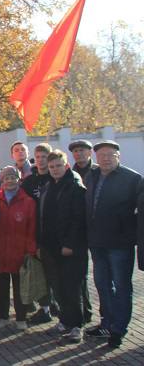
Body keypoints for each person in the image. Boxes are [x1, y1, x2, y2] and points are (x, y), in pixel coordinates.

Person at [83, 140, 143, 349]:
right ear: (96, 158)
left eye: (110, 155)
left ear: (118, 157)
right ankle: (107, 323)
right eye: (101, 155)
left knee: (122, 287)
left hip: (120, 244)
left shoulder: (133, 179)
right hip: (97, 243)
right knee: (102, 285)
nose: (106, 159)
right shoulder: (92, 176)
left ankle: (118, 329)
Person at [39, 150, 88, 343]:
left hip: (70, 248)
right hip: (50, 247)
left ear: (66, 165)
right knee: (58, 287)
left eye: (58, 165)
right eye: (51, 167)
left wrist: (70, 244)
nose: (55, 169)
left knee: (72, 288)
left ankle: (77, 325)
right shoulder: (48, 186)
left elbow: (78, 220)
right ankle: (65, 320)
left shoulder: (75, 187)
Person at [0, 166, 36, 331]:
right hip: (0, 251)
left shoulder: (28, 202)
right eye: (6, 178)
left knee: (20, 288)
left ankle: (21, 317)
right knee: (1, 287)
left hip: (19, 252)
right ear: (1, 181)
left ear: (19, 179)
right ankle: (2, 316)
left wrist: (30, 250)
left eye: (13, 177)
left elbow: (32, 227)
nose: (10, 181)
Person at [21, 143, 58, 325]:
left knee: (56, 273)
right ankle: (44, 308)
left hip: (55, 234)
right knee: (40, 273)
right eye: (38, 157)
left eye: (45, 156)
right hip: (35, 233)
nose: (41, 160)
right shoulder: (29, 182)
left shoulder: (56, 179)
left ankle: (57, 305)